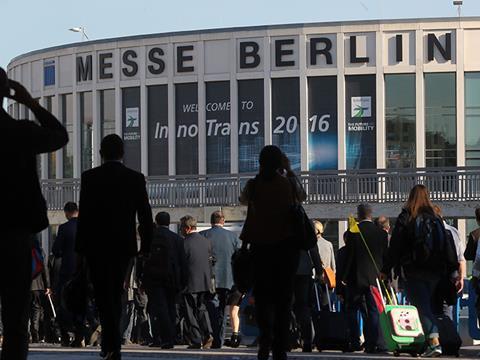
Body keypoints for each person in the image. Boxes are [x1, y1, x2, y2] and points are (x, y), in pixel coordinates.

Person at [0, 67, 68, 360]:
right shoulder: (20, 133)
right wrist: (32, 104)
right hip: (15, 232)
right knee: (16, 316)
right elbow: (59, 136)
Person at [75, 134, 153, 360]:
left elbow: (85, 215)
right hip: (123, 246)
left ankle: (109, 343)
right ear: (122, 153)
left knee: (102, 294)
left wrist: (80, 249)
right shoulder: (135, 178)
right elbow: (145, 215)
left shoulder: (90, 177)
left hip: (97, 246)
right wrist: (145, 246)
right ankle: (113, 343)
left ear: (101, 153)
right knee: (117, 292)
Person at [239, 145, 304, 360]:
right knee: (284, 299)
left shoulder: (254, 185)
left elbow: (243, 200)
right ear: (280, 162)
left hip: (260, 248)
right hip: (285, 248)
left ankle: (265, 339)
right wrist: (289, 170)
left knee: (263, 297)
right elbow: (302, 196)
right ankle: (280, 344)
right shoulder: (287, 185)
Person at [382, 184, 458, 358]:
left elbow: (395, 246)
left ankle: (434, 342)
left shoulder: (407, 216)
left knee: (421, 307)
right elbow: (446, 244)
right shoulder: (435, 218)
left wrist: (386, 269)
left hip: (413, 270)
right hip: (436, 271)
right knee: (431, 307)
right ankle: (435, 343)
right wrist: (451, 270)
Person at [343, 203, 388, 354]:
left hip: (356, 277)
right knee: (373, 311)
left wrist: (344, 276)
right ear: (371, 215)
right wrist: (385, 273)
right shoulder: (381, 233)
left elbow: (349, 256)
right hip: (375, 278)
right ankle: (373, 343)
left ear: (358, 214)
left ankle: (355, 341)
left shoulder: (353, 232)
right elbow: (385, 256)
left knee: (352, 310)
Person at [142, 212, 186, 349]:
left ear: (156, 222)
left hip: (154, 279)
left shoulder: (150, 238)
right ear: (169, 222)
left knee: (159, 308)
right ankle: (171, 337)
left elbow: (144, 260)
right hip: (172, 279)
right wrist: (184, 281)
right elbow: (182, 262)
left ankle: (161, 337)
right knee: (171, 307)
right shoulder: (177, 239)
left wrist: (143, 280)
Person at [200, 211, 241, 349]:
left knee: (209, 309)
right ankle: (220, 339)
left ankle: (212, 336)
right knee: (223, 311)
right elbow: (239, 258)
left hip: (209, 279)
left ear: (211, 221)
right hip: (228, 280)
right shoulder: (233, 237)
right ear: (223, 222)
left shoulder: (203, 235)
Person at [180, 215, 214, 349]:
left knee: (190, 312)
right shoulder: (206, 241)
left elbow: (180, 264)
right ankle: (208, 334)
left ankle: (196, 339)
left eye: (182, 227)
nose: (181, 230)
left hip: (189, 282)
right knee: (201, 309)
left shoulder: (183, 243)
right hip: (204, 282)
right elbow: (212, 260)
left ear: (187, 228)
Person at [432, 205, 465, 320]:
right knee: (447, 313)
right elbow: (460, 258)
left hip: (434, 277)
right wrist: (460, 277)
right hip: (450, 278)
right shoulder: (454, 231)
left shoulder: (429, 232)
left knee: (431, 314)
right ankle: (448, 335)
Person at [52, 202, 79, 346]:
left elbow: (56, 250)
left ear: (67, 213)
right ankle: (81, 334)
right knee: (82, 303)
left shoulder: (63, 228)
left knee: (63, 303)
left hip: (67, 271)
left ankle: (65, 335)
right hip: (83, 271)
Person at [30, 236, 51, 343]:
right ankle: (35, 332)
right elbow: (45, 270)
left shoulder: (20, 250)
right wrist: (48, 285)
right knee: (36, 310)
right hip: (38, 286)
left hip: (25, 286)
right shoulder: (40, 251)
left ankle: (26, 333)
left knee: (25, 310)